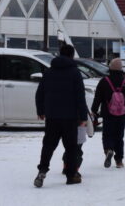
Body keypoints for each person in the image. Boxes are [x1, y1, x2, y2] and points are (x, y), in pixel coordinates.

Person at [34, 44, 89, 188]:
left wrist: (41, 110)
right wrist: (83, 116)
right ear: (71, 56)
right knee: (71, 147)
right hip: (70, 117)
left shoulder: (49, 72)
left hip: (52, 116)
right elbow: (80, 96)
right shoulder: (75, 72)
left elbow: (40, 92)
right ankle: (71, 176)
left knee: (48, 145)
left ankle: (42, 171)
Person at [90, 58, 125, 169]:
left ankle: (108, 149)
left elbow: (97, 97)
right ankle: (119, 160)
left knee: (107, 134)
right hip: (121, 113)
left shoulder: (104, 81)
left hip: (108, 112)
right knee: (119, 136)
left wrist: (94, 110)